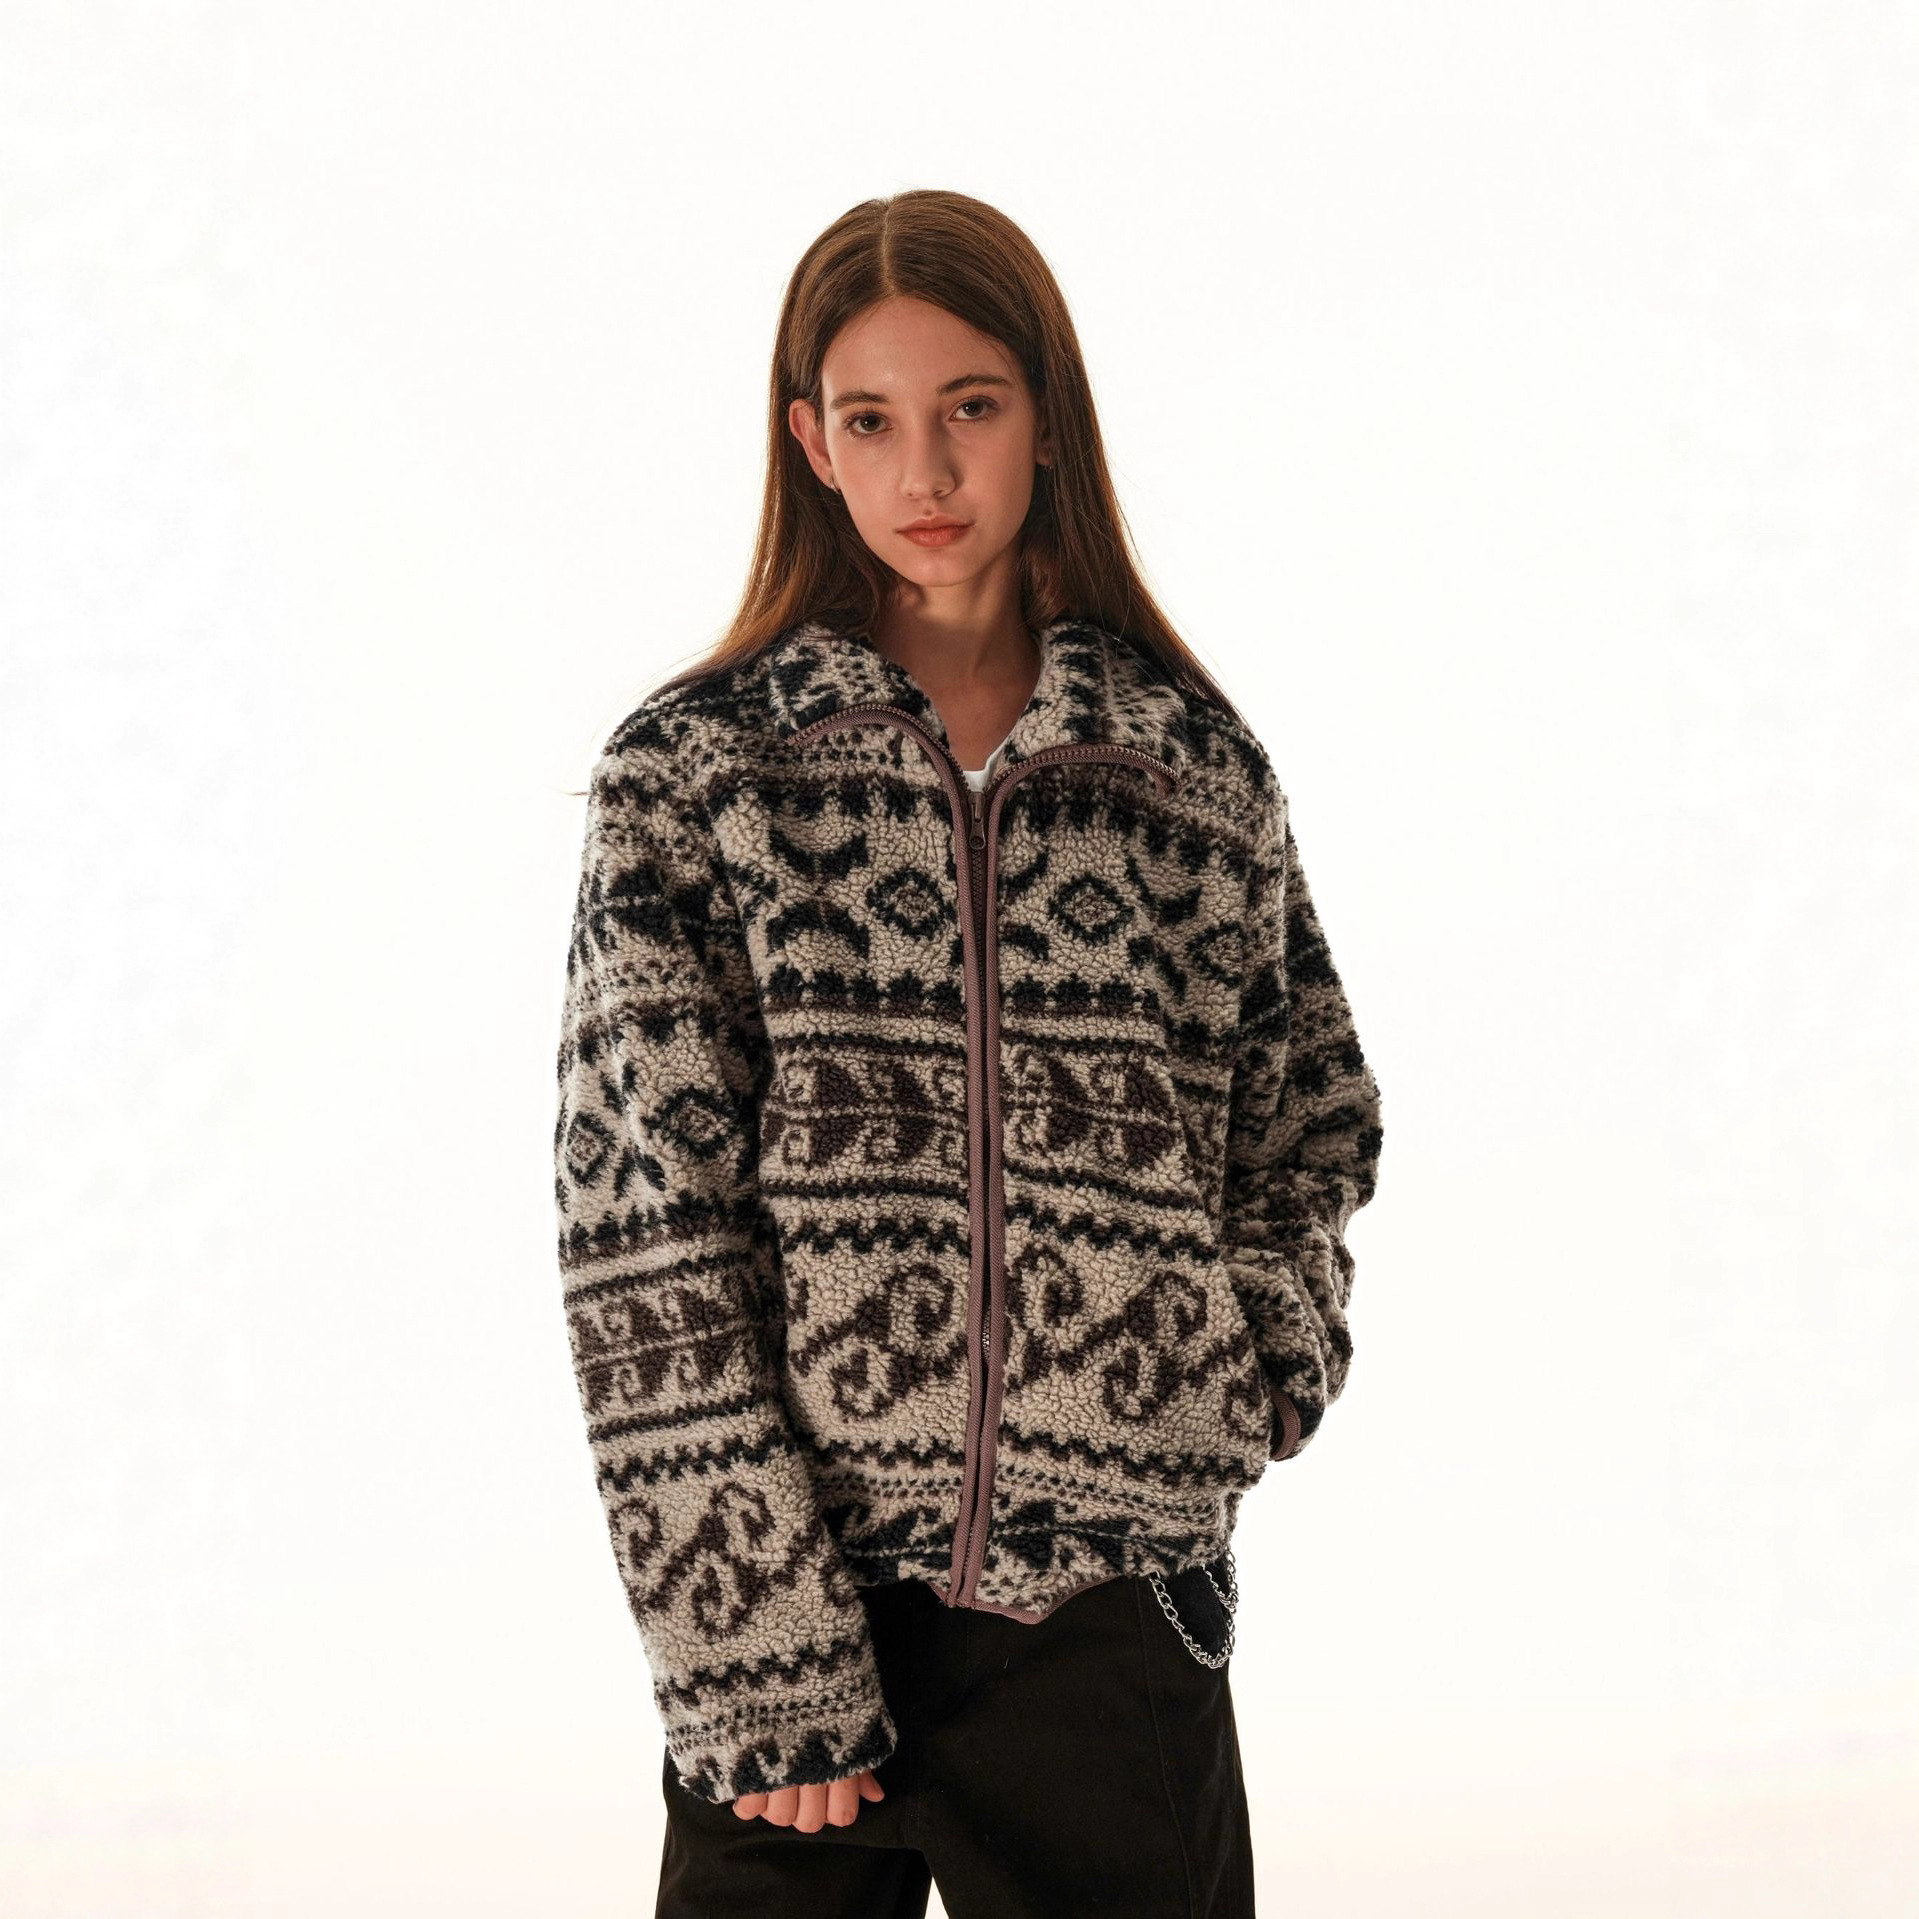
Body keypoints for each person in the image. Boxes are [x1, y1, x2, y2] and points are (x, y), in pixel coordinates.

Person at [553, 188, 1384, 1918]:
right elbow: (646, 1232)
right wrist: (751, 1648)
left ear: (1047, 421)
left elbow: (1305, 1129)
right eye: (871, 420)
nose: (925, 468)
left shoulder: (1190, 777)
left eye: (972, 407)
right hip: (803, 1608)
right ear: (811, 444)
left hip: (1114, 1617)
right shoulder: (700, 779)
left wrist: (1236, 1378)